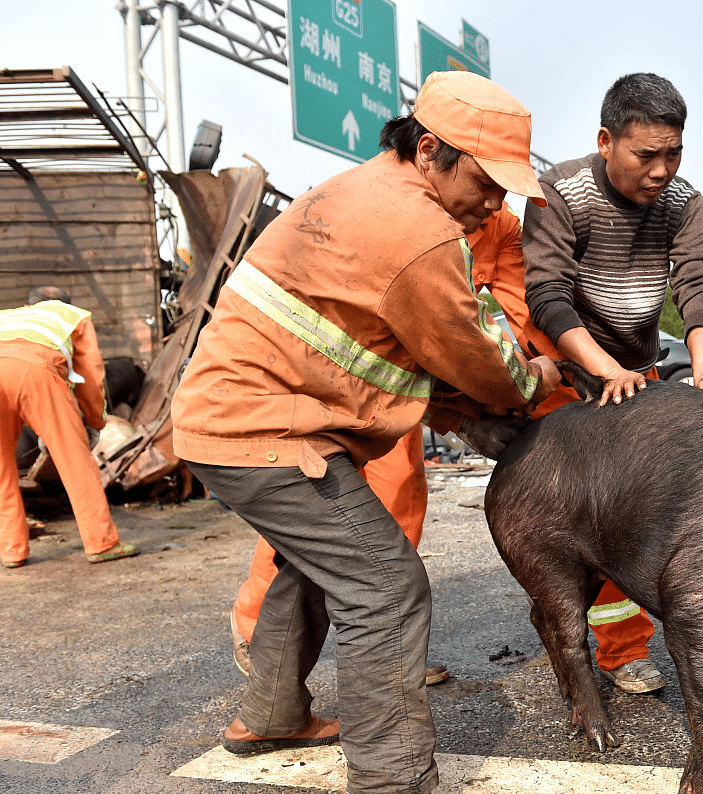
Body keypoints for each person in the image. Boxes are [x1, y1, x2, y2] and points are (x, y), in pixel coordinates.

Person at [171, 71, 560, 794]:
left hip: (236, 418)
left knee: (315, 563)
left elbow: (378, 354)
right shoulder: (419, 232)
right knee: (386, 586)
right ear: (432, 150)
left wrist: (456, 416)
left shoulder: (366, 190)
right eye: (487, 180)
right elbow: (482, 363)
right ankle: (394, 779)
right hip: (260, 430)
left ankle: (272, 713)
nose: (496, 202)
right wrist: (534, 376)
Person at [228, 201, 531, 688]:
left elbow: (514, 315)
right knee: (309, 500)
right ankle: (256, 627)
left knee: (399, 494)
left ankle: (393, 644)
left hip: (403, 377)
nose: (490, 200)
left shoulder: (500, 226)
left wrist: (531, 377)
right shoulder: (391, 210)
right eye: (484, 183)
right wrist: (463, 417)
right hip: (332, 372)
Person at [520, 72, 703, 694]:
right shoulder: (559, 192)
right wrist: (599, 368)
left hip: (634, 373)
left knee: (631, 515)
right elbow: (547, 294)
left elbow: (698, 280)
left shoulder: (684, 202)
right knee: (566, 522)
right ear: (606, 140)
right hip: (564, 371)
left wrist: (702, 364)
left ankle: (623, 650)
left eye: (674, 153)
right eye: (647, 154)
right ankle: (566, 639)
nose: (662, 169)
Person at [0, 285, 139, 568]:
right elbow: (90, 376)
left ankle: (12, 552)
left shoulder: (4, 316)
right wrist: (95, 420)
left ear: (29, 304)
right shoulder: (74, 316)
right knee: (75, 461)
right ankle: (101, 544)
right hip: (34, 371)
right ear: (65, 303)